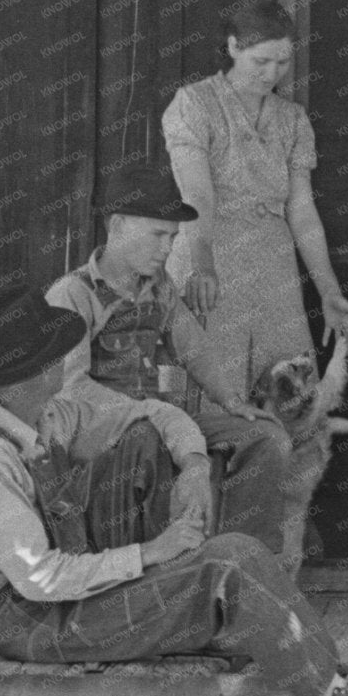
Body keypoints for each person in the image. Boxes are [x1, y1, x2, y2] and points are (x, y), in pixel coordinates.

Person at [0, 284, 348, 696]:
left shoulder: (52, 417)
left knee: (239, 548)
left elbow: (154, 414)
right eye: (51, 356)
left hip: (65, 595)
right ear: (26, 377)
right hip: (36, 622)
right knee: (223, 570)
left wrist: (194, 466)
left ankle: (337, 680)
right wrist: (150, 553)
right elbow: (40, 579)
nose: (63, 362)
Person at [163, 0, 348, 564]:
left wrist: (326, 289)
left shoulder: (292, 120)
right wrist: (201, 260)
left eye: (282, 63)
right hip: (210, 256)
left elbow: (302, 210)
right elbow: (195, 195)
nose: (272, 74)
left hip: (272, 266)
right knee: (212, 400)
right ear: (232, 48)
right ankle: (196, 554)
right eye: (261, 62)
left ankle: (271, 556)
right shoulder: (193, 105)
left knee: (284, 399)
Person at [45, 165, 293, 559]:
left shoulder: (159, 287)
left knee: (266, 437)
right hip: (111, 433)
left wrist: (230, 399)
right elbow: (71, 389)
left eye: (173, 238)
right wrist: (156, 415)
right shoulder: (73, 294)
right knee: (149, 441)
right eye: (158, 235)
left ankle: (247, 560)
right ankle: (170, 572)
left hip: (164, 419)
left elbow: (193, 344)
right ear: (119, 225)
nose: (167, 249)